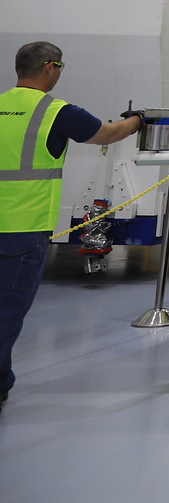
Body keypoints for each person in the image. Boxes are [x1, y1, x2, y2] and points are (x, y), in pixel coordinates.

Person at [0, 41, 145, 414]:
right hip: (22, 228)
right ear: (49, 67)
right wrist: (139, 120)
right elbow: (109, 134)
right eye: (60, 66)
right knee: (7, 311)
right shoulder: (55, 111)